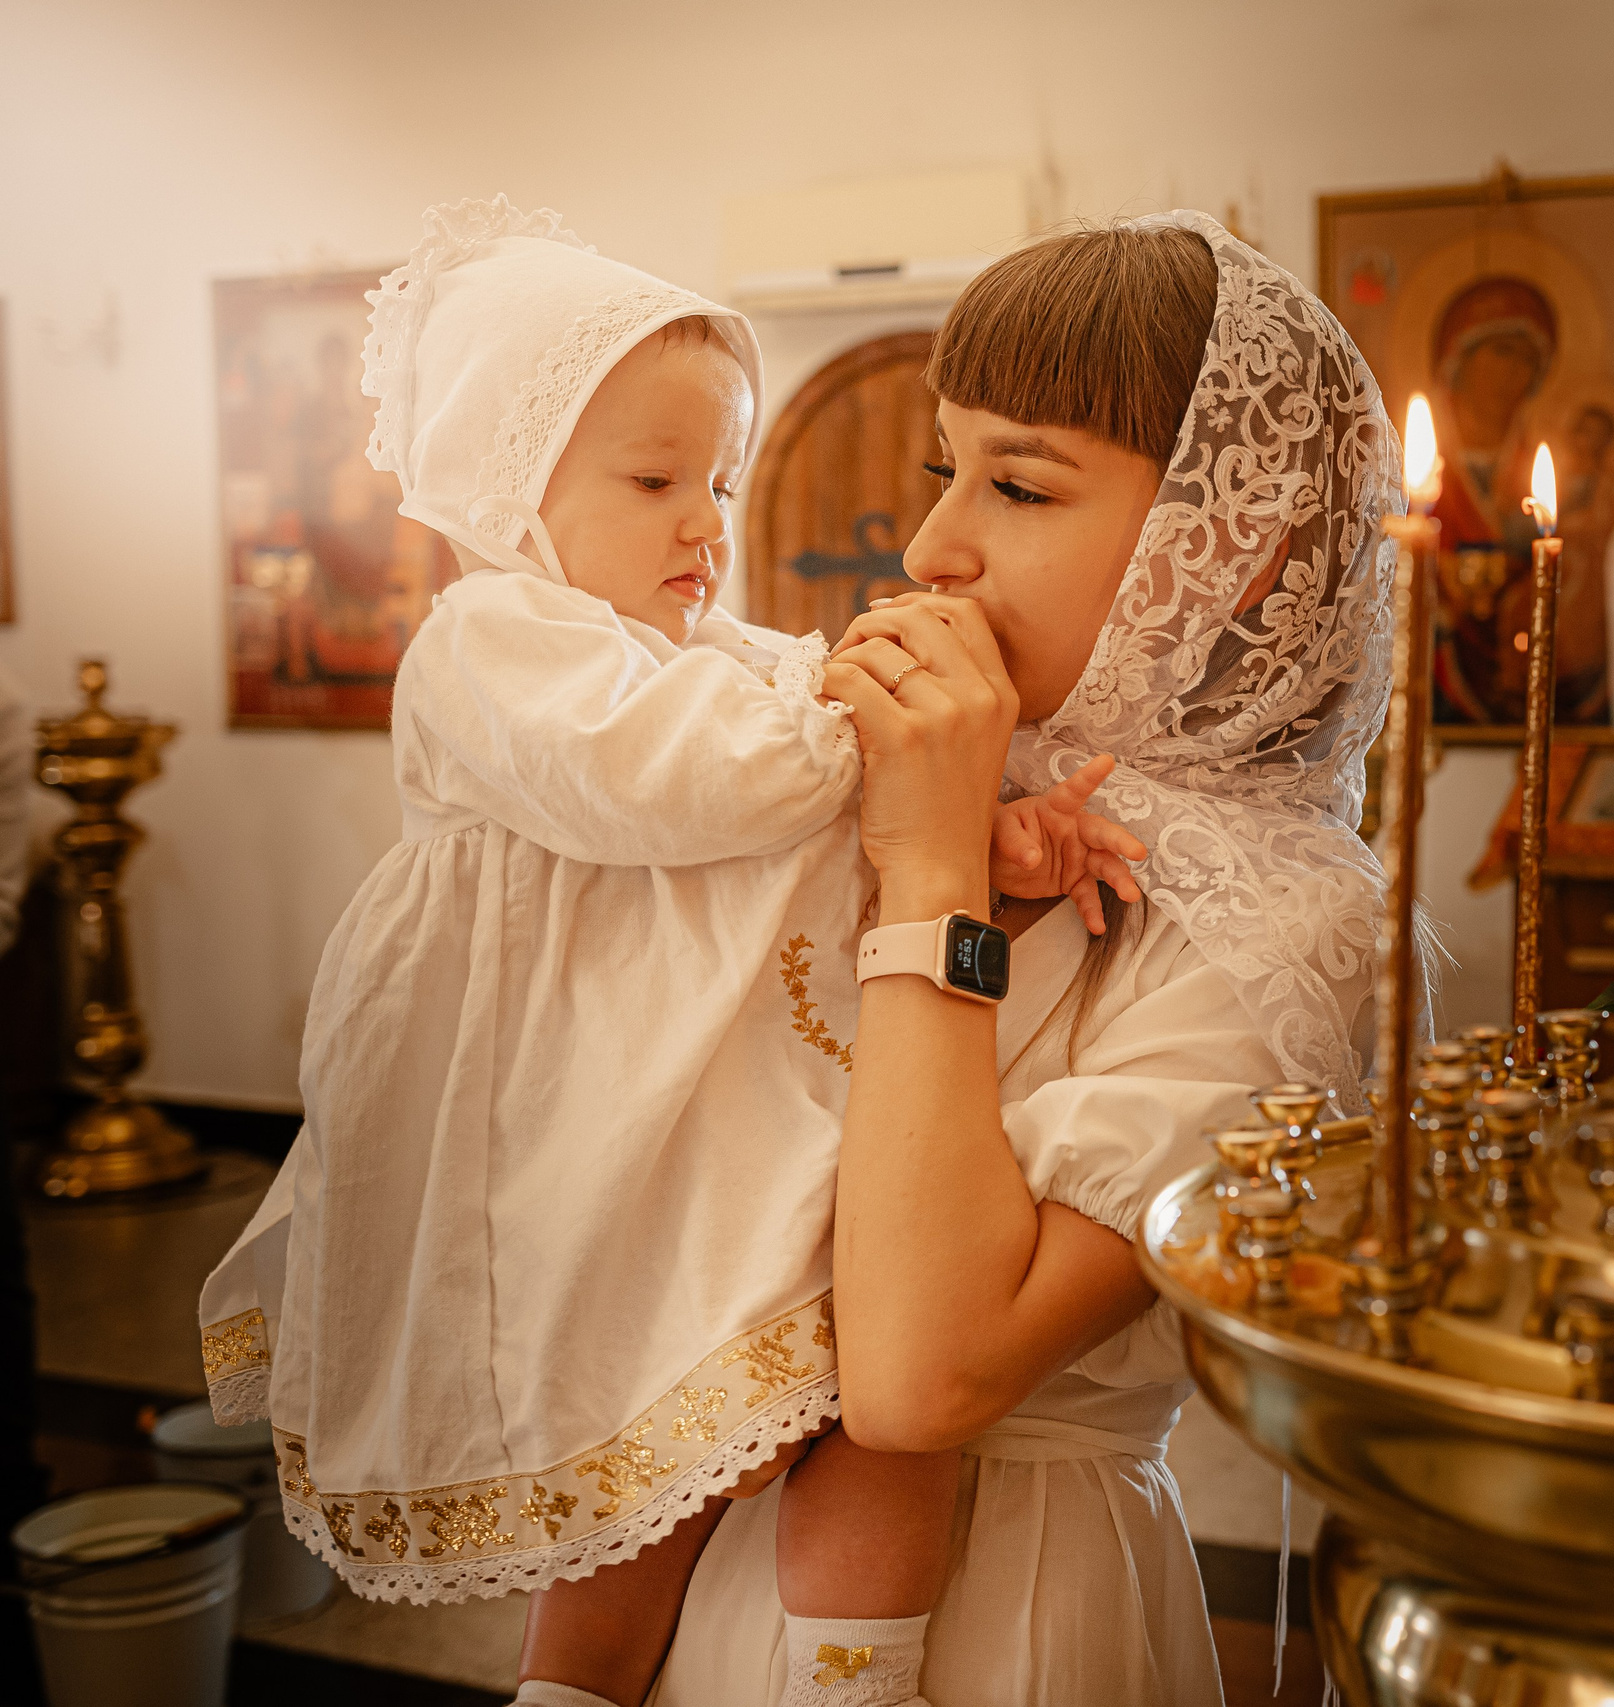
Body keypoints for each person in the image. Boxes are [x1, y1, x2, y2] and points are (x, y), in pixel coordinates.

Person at [192, 198, 1142, 1707]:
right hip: (567, 1124)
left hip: (702, 1114)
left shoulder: (715, 657)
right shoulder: (495, 642)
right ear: (514, 486)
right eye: (654, 480)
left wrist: (995, 833)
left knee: (790, 1417)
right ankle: (571, 1692)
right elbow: (694, 778)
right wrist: (880, 716)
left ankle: (845, 1675)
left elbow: (861, 823)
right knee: (616, 1443)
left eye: (721, 479)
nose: (708, 523)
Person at [649, 209, 1396, 1706]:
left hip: (1018, 1610)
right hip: (726, 1557)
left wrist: (933, 873)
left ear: (1230, 551)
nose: (932, 545)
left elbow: (927, 1379)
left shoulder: (1290, 923)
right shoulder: (956, 774)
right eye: (945, 466)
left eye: (1020, 482)